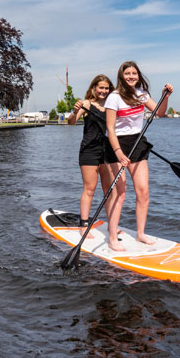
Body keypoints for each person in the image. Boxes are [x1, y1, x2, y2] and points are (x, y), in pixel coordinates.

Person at [104, 61, 173, 251]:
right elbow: (110, 128)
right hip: (116, 144)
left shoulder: (142, 94)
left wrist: (164, 97)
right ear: (122, 76)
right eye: (127, 74)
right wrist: (118, 152)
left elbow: (159, 112)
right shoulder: (114, 97)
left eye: (134, 73)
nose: (131, 76)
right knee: (121, 192)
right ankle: (112, 238)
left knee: (143, 192)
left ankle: (141, 234)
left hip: (138, 142)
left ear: (138, 75)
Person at [67, 74, 114, 238]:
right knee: (90, 189)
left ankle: (111, 226)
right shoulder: (86, 103)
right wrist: (74, 112)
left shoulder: (111, 106)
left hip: (107, 151)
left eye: (107, 88)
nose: (104, 91)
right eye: (101, 87)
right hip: (89, 151)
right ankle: (83, 226)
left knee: (109, 190)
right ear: (94, 88)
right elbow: (71, 122)